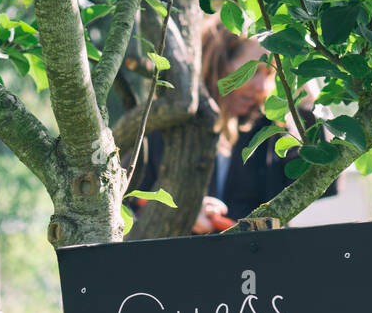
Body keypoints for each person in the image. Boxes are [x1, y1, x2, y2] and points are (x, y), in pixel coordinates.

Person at [129, 18, 336, 230]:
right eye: (254, 71)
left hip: (258, 258)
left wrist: (309, 94)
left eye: (270, 74)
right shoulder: (168, 128)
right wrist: (181, 211)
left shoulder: (270, 129)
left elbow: (327, 178)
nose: (263, 86)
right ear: (219, 62)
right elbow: (132, 204)